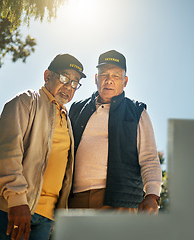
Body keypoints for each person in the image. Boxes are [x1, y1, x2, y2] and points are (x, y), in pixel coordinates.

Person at [0, 53, 86, 240]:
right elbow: (8, 154)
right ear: (47, 76)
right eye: (64, 78)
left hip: (46, 217)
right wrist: (17, 201)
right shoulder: (26, 101)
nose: (69, 87)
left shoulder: (67, 119)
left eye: (74, 83)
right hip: (14, 207)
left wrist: (58, 213)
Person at [68, 50, 162, 213]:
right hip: (75, 201)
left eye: (116, 76)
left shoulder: (137, 112)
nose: (109, 80)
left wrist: (152, 195)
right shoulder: (77, 109)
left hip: (119, 203)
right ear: (96, 79)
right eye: (104, 74)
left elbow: (149, 157)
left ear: (125, 81)